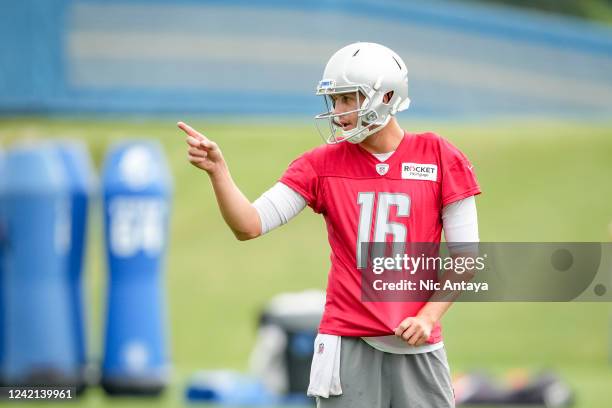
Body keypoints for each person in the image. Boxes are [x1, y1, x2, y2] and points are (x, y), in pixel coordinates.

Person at [178, 42, 481, 408]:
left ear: (386, 96)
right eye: (335, 101)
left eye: (348, 99)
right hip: (346, 342)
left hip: (418, 343)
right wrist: (218, 171)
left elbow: (466, 257)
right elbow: (250, 224)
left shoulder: (439, 156)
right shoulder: (321, 164)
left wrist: (428, 316)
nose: (338, 113)